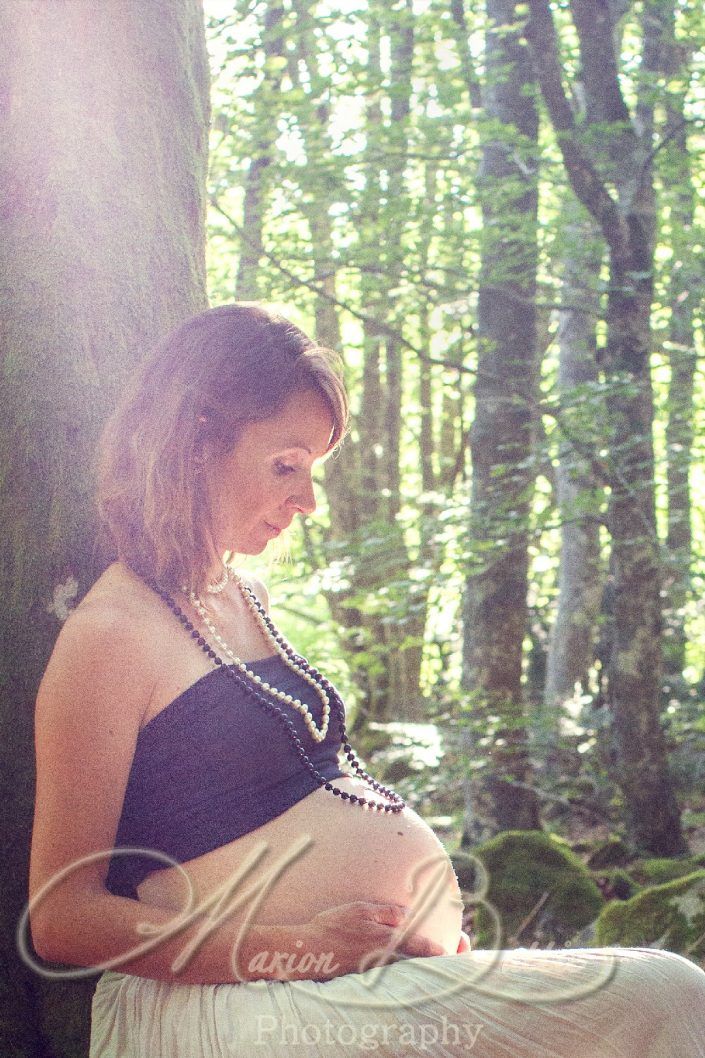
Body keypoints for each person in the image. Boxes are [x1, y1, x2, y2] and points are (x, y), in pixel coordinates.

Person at [27, 304, 705, 1057]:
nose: (307, 500)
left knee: (664, 999)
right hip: (232, 1008)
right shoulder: (111, 635)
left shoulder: (239, 597)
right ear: (193, 441)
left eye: (312, 469)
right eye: (286, 465)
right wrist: (303, 944)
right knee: (667, 996)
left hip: (337, 992)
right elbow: (61, 917)